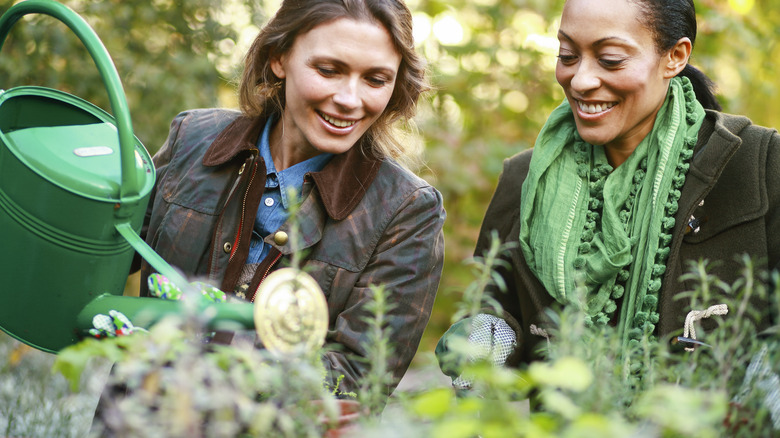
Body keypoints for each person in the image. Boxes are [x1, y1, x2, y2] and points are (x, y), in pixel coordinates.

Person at [437, 0, 779, 381]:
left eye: (611, 59)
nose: (580, 80)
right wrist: (485, 341)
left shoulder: (758, 164)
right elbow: (501, 312)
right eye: (567, 55)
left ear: (675, 56)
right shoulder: (525, 180)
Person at [138, 0, 445, 399]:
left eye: (375, 79)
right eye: (329, 70)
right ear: (279, 57)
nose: (350, 99)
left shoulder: (407, 211)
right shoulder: (193, 140)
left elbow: (355, 381)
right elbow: (98, 260)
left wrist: (211, 378)